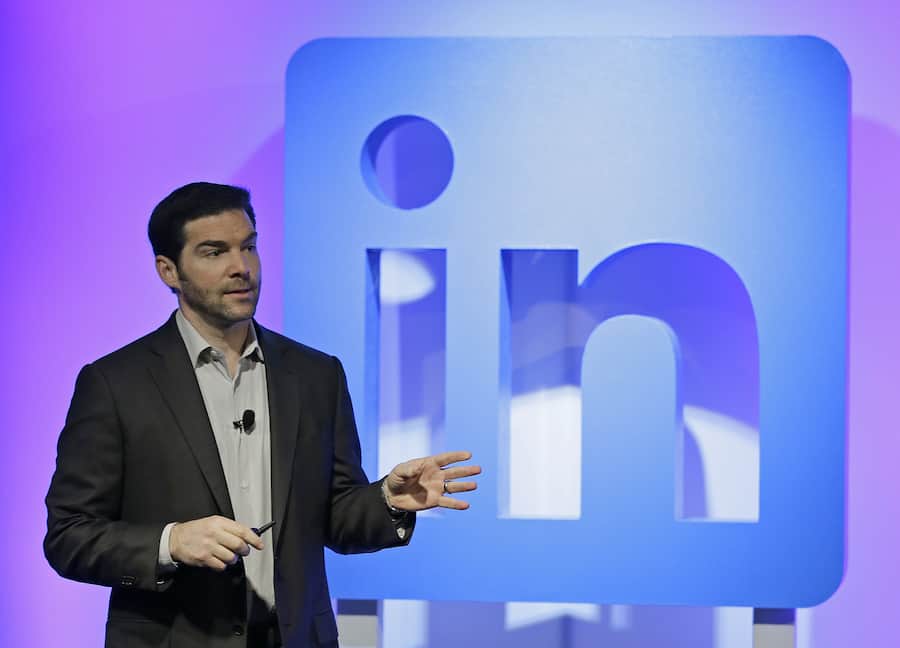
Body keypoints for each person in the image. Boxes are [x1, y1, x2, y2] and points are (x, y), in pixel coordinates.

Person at [44, 182, 480, 648]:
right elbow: (69, 536)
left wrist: (388, 500)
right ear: (168, 270)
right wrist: (170, 542)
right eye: (214, 252)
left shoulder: (316, 374)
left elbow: (335, 517)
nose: (241, 267)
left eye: (248, 246)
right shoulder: (115, 384)